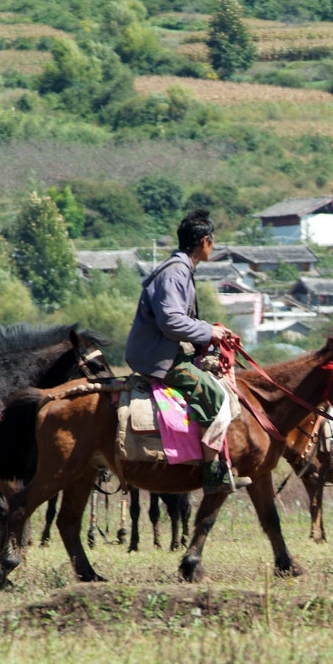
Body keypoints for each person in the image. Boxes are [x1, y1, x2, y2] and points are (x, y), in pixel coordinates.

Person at [125, 208, 246, 495]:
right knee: (213, 395)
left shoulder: (180, 269)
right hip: (159, 357)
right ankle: (212, 473)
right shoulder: (176, 272)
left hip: (167, 351)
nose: (212, 246)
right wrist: (209, 332)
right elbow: (170, 321)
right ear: (204, 241)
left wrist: (209, 331)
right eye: (212, 241)